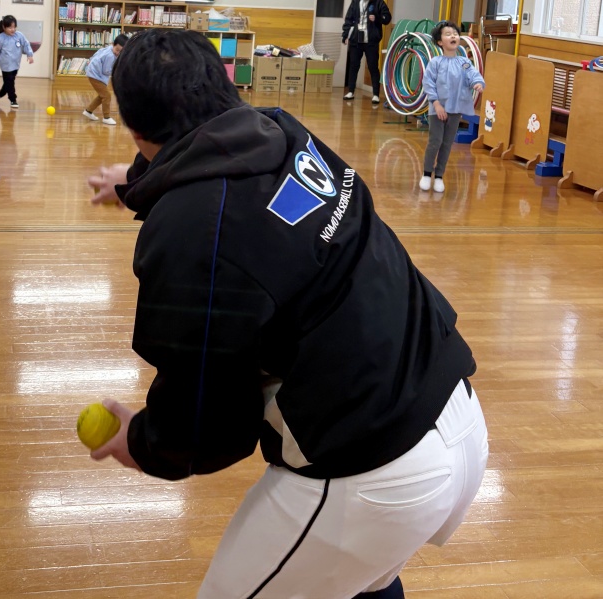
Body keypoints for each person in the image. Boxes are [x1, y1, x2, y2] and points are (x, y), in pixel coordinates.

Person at [86, 29, 487, 599]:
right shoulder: (282, 131)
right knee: (361, 581)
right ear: (225, 83)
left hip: (372, 465)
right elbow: (245, 200)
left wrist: (144, 442)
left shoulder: (187, 232)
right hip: (454, 411)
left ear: (135, 128)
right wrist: (139, 179)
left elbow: (209, 422)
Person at [420, 21, 485, 193]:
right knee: (435, 142)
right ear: (440, 42)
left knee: (447, 143)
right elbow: (428, 83)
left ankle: (439, 176)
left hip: (455, 110)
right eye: (448, 34)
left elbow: (472, 74)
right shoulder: (435, 62)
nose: (453, 36)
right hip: (437, 110)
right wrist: (436, 104)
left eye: (455, 33)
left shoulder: (463, 62)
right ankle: (427, 174)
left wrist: (478, 83)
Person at [342, 0, 391, 103]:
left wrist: (377, 18)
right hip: (356, 40)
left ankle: (376, 94)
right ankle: (351, 91)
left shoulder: (378, 2)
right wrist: (345, 35)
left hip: (371, 42)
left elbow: (387, 18)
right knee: (353, 66)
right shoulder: (355, 2)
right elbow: (348, 19)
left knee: (373, 67)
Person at [0, 15, 34, 108]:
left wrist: (30, 54)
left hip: (15, 65)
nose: (13, 29)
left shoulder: (19, 35)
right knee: (10, 82)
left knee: (8, 83)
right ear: (4, 27)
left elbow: (26, 44)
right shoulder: (0, 38)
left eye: (14, 27)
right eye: (10, 27)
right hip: (5, 65)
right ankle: (13, 100)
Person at [82, 34, 128, 126]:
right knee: (107, 95)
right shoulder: (110, 56)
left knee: (102, 95)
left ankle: (88, 111)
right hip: (95, 75)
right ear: (113, 45)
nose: (118, 53)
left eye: (121, 51)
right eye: (117, 50)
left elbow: (97, 53)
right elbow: (106, 70)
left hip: (94, 73)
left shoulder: (108, 49)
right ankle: (106, 117)